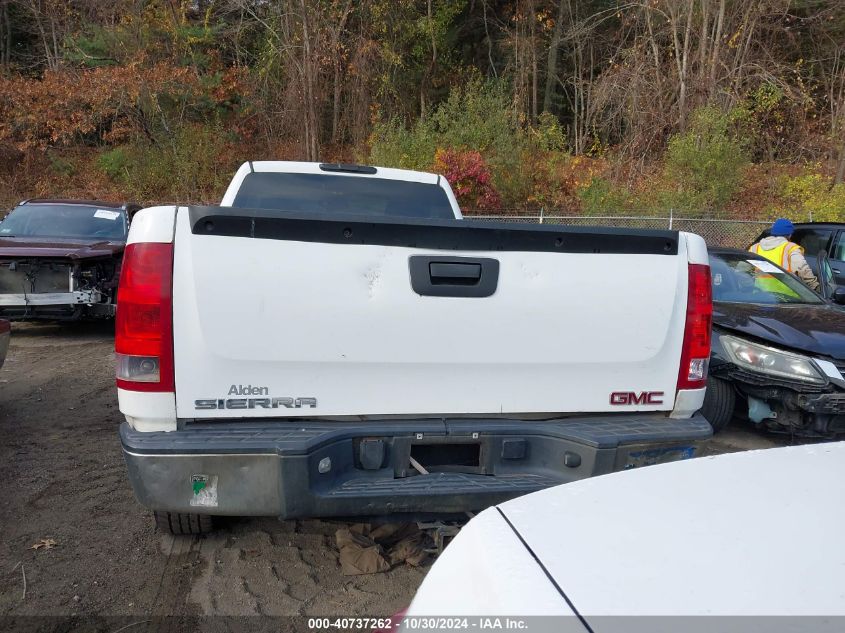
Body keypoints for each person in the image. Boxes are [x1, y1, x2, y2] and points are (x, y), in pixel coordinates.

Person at [748, 218, 819, 291]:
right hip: (786, 297)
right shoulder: (790, 248)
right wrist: (815, 287)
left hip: (761, 296)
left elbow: (742, 271)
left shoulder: (755, 248)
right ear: (790, 235)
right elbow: (802, 269)